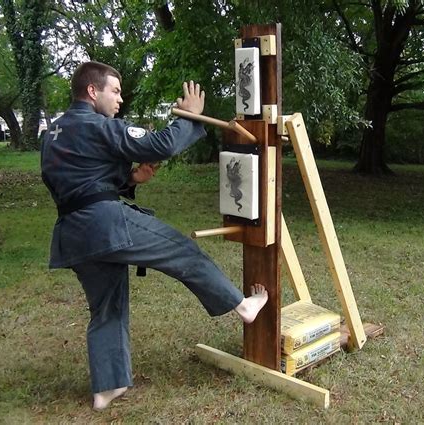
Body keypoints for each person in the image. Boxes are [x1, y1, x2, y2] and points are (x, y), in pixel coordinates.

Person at [40, 61, 268, 411]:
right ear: (92, 91)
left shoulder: (53, 133)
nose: (118, 99)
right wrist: (188, 116)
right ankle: (242, 305)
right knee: (182, 252)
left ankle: (107, 387)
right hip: (105, 223)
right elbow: (160, 144)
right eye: (114, 91)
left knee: (107, 307)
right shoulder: (99, 126)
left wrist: (132, 180)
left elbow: (81, 182)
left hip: (73, 233)